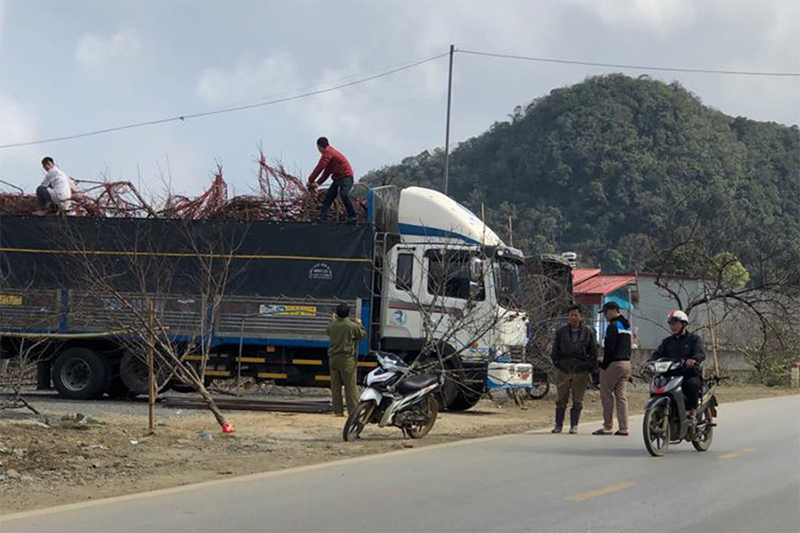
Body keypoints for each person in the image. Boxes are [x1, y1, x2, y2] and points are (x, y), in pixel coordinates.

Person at [646, 310, 705, 422]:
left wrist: (693, 360)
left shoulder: (694, 339)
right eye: (670, 323)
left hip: (688, 373)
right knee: (657, 383)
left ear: (683, 324)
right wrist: (649, 362)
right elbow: (657, 354)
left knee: (692, 384)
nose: (672, 326)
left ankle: (692, 413)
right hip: (670, 374)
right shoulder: (667, 342)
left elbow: (700, 353)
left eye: (675, 323)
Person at [550, 305, 599, 434]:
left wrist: (590, 367)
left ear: (580, 316)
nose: (573, 318)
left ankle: (574, 425)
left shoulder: (588, 332)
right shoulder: (561, 332)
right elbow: (555, 350)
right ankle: (558, 425)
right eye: (571, 315)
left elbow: (593, 352)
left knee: (577, 400)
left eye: (576, 315)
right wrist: (558, 363)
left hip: (581, 370)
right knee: (561, 399)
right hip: (564, 369)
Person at [594, 301, 633, 436]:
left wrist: (603, 365)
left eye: (606, 312)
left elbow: (610, 349)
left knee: (606, 394)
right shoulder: (626, 326)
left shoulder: (613, 326)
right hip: (626, 363)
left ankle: (608, 426)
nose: (605, 315)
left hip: (614, 363)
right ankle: (624, 427)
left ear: (613, 310)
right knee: (621, 396)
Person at [326, 303, 366, 417]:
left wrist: (333, 320)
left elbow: (328, 331)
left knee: (335, 386)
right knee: (350, 386)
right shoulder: (352, 325)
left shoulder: (332, 325)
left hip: (333, 358)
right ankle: (352, 411)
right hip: (346, 359)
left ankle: (338, 411)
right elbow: (363, 335)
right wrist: (360, 324)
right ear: (348, 313)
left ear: (337, 313)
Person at [307, 137, 356, 221]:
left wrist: (311, 180)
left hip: (346, 177)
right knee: (329, 197)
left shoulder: (328, 153)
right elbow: (326, 172)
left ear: (319, 147)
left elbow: (320, 167)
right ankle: (322, 217)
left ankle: (352, 216)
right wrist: (318, 183)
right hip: (338, 178)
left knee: (344, 194)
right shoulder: (330, 153)